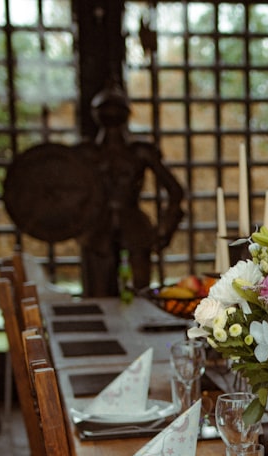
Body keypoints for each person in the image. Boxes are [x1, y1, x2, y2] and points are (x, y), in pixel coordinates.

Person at [76, 79, 185, 295]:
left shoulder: (140, 151)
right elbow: (66, 191)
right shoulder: (86, 153)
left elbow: (175, 191)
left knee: (140, 294)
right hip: (98, 227)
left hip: (134, 224)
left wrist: (166, 227)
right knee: (98, 295)